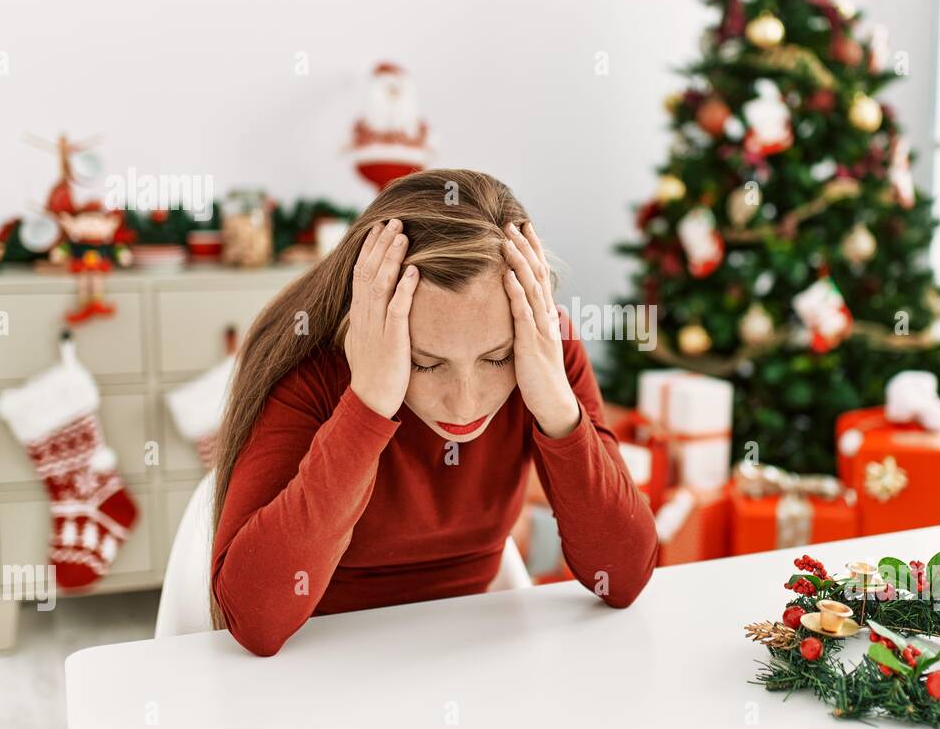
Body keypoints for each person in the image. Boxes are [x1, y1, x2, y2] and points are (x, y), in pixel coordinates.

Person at [210, 169, 659, 656]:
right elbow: (255, 621)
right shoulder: (311, 370)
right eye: (425, 363)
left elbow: (624, 577)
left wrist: (555, 403)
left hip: (466, 652)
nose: (465, 404)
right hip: (320, 658)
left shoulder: (545, 347)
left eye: (497, 358)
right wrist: (367, 405)